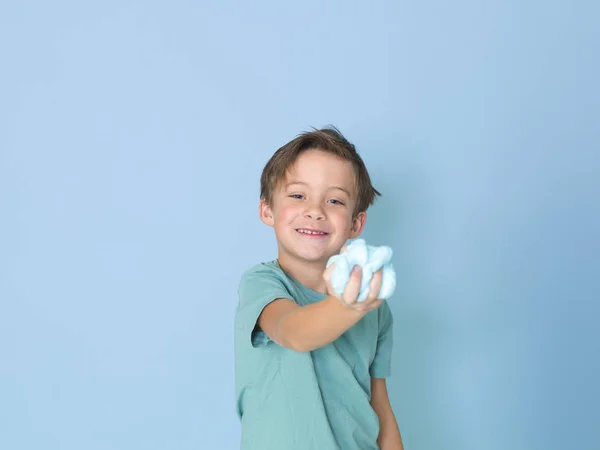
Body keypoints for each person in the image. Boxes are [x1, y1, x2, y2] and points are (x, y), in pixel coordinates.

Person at [234, 127, 404, 450]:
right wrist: (347, 308)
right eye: (298, 195)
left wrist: (359, 304)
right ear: (267, 209)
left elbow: (380, 406)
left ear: (356, 223)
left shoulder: (374, 306)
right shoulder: (261, 284)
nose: (315, 210)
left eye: (335, 200)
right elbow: (294, 332)